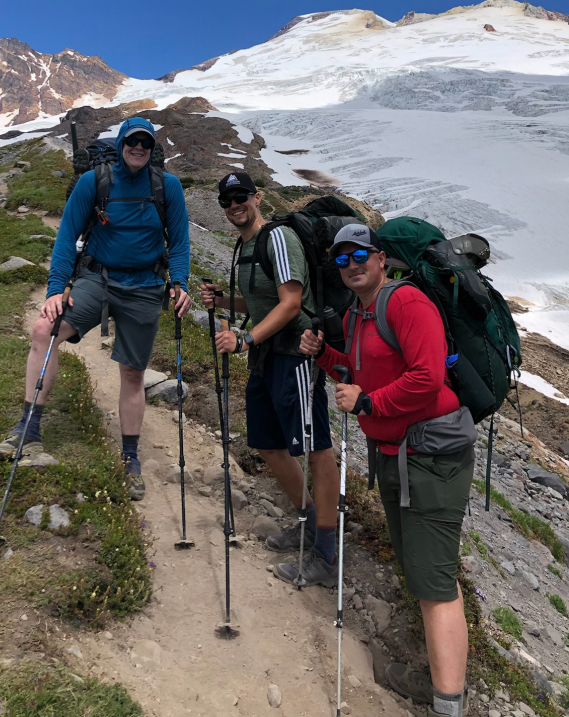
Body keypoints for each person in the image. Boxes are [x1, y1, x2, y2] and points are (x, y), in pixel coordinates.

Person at [300, 223, 473, 717]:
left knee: (436, 583)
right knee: (424, 575)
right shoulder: (360, 313)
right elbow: (361, 373)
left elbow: (428, 376)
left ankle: (448, 704)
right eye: (341, 259)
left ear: (379, 258)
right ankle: (442, 681)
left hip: (430, 457)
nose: (350, 265)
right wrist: (327, 358)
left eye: (359, 255)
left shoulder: (405, 303)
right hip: (400, 456)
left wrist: (368, 402)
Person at [0, 116, 192, 501]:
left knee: (133, 374)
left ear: (152, 150)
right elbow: (67, 237)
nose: (138, 147)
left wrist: (179, 283)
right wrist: (55, 290)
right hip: (94, 280)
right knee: (43, 331)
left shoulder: (168, 187)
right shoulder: (93, 182)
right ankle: (27, 430)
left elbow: (180, 242)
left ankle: (129, 457)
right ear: (120, 144)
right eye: (131, 141)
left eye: (145, 143)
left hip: (146, 287)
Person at [199, 171, 340, 587]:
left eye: (240, 196)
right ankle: (313, 522)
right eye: (226, 200)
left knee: (316, 448)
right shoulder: (244, 246)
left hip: (295, 354)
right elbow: (264, 301)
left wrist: (245, 338)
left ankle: (327, 554)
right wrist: (225, 301)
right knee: (266, 443)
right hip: (267, 354)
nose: (233, 205)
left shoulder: (276, 238)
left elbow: (292, 303)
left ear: (257, 198)